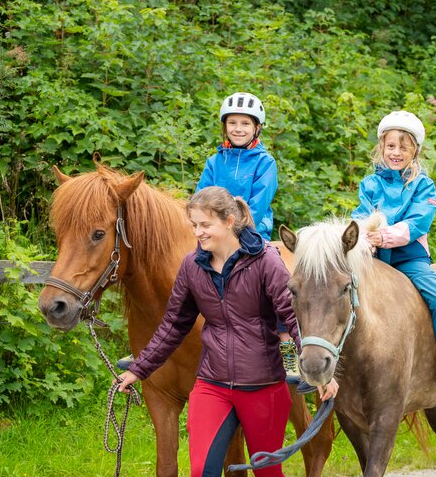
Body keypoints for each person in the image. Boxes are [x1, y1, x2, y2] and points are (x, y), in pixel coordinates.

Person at [116, 186, 338, 477]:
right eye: (193, 225)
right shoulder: (192, 266)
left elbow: (293, 318)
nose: (198, 232)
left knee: (268, 475)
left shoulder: (266, 261)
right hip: (213, 383)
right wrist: (139, 368)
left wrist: (320, 373)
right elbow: (173, 325)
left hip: (263, 385)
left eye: (205, 225)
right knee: (202, 473)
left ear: (229, 222)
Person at [120, 91, 312, 391]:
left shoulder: (265, 163)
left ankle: (287, 351)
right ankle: (151, 345)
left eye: (245, 124)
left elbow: (258, 203)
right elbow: (200, 198)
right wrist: (201, 224)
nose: (238, 129)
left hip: (251, 232)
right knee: (177, 274)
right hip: (211, 234)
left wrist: (233, 226)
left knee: (276, 287)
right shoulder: (215, 162)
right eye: (232, 123)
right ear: (224, 126)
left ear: (257, 128)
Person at [351, 110, 436, 399]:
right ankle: (326, 364)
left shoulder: (423, 185)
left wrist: (384, 236)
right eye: (391, 146)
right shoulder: (369, 184)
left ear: (415, 151)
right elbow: (361, 216)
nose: (396, 153)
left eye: (403, 147)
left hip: (409, 258)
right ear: (382, 147)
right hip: (374, 258)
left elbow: (419, 222)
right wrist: (364, 238)